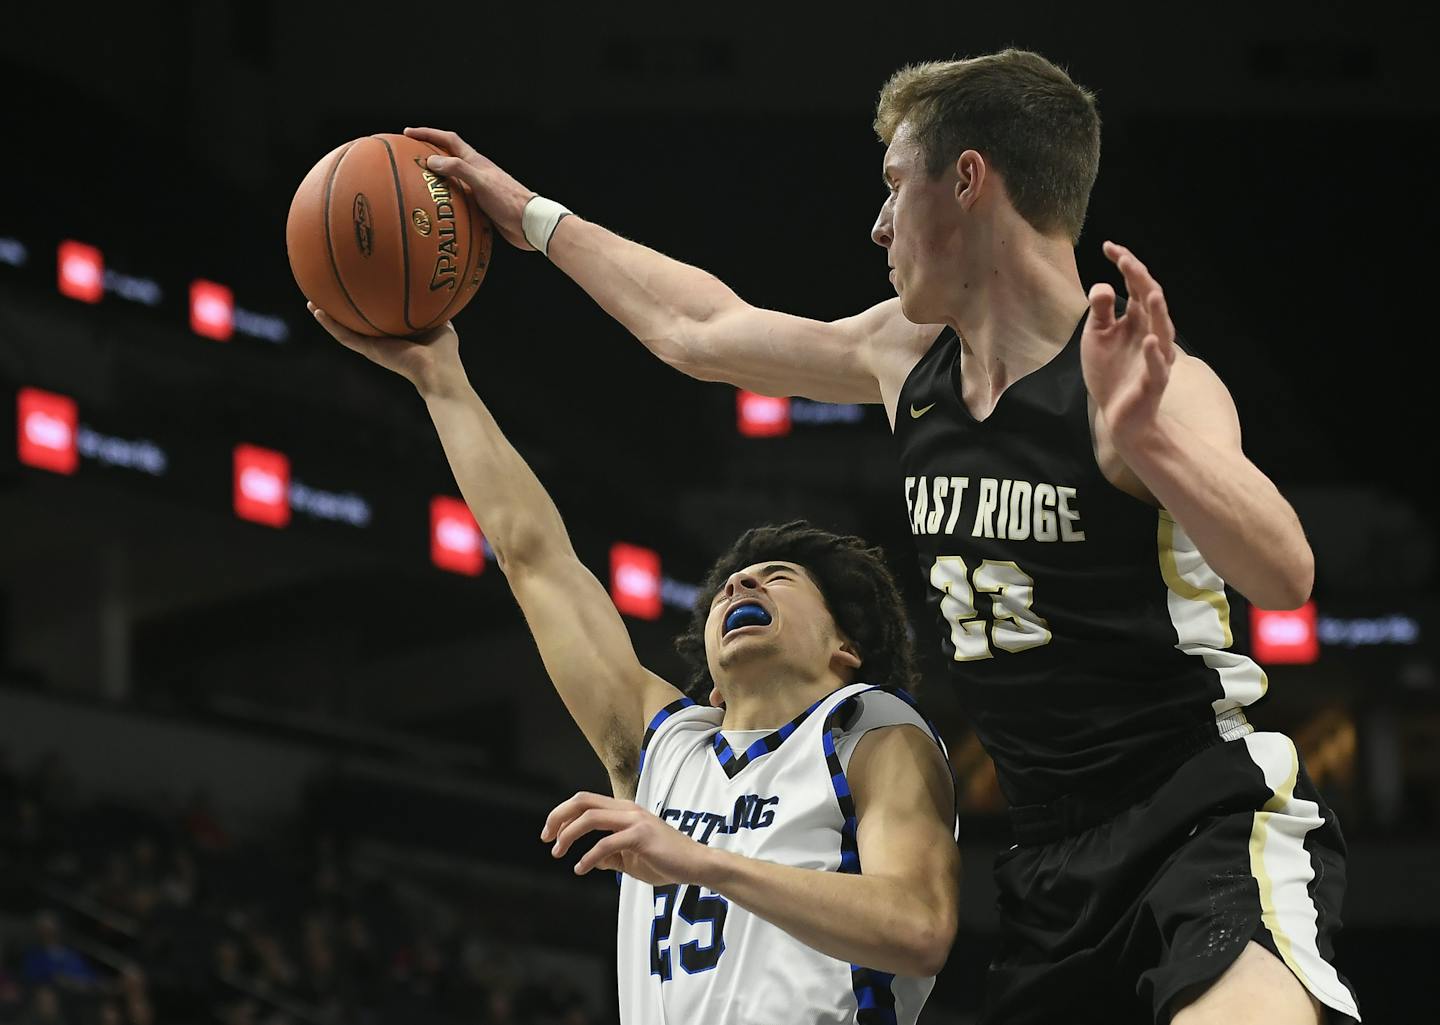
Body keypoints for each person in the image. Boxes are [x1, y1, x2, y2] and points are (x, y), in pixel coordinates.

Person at [399, 46, 1360, 1025]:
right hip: (1049, 865)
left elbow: (1284, 572)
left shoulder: (1146, 387)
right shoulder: (902, 356)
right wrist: (526, 215)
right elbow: (694, 328)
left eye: (897, 185)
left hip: (1201, 815)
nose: (879, 221)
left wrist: (1150, 440)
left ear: (970, 180)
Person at [308, 304, 960, 1024]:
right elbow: (535, 559)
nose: (740, 585)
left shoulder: (871, 727)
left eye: (777, 577)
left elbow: (919, 926)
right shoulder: (668, 744)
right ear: (711, 674)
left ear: (848, 648)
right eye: (726, 590)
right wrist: (440, 380)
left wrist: (697, 859)